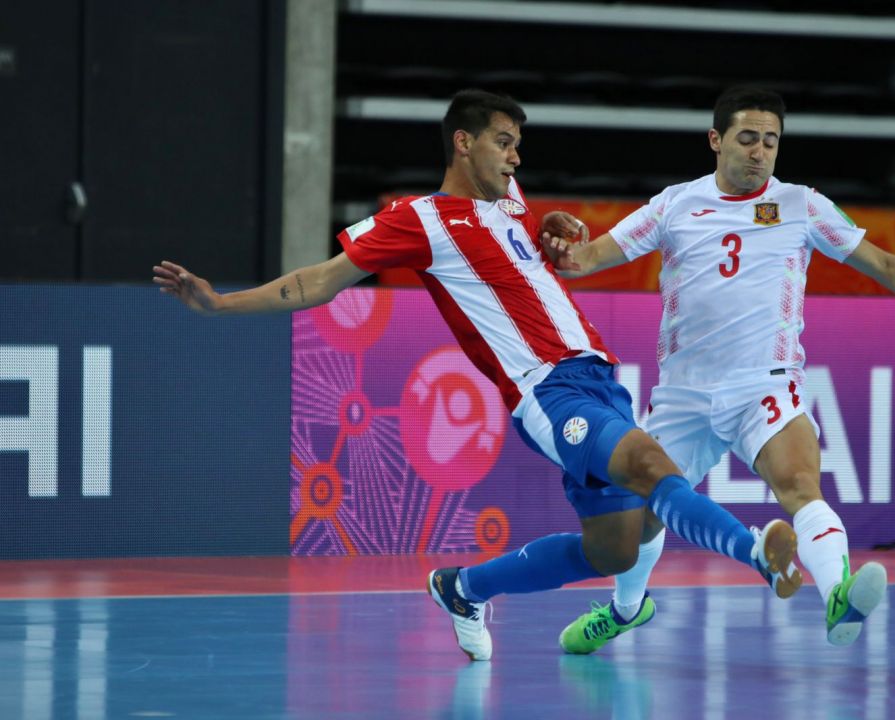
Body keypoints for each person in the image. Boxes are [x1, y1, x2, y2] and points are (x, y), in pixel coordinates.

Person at [153, 89, 804, 662]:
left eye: (518, 145)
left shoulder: (511, 202)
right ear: (463, 144)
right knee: (649, 464)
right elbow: (317, 281)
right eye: (503, 142)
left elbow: (531, 259)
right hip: (546, 391)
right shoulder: (419, 219)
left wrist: (553, 229)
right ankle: (755, 553)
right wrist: (221, 304)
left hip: (600, 377)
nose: (515, 157)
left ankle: (461, 589)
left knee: (615, 551)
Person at [546, 86, 895, 653]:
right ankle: (626, 609)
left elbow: (884, 263)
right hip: (684, 396)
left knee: (798, 484)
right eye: (747, 139)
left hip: (763, 386)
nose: (759, 152)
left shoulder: (802, 204)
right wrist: (565, 254)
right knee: (638, 519)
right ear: (716, 141)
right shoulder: (673, 204)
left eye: (770, 141)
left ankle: (838, 592)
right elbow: (591, 256)